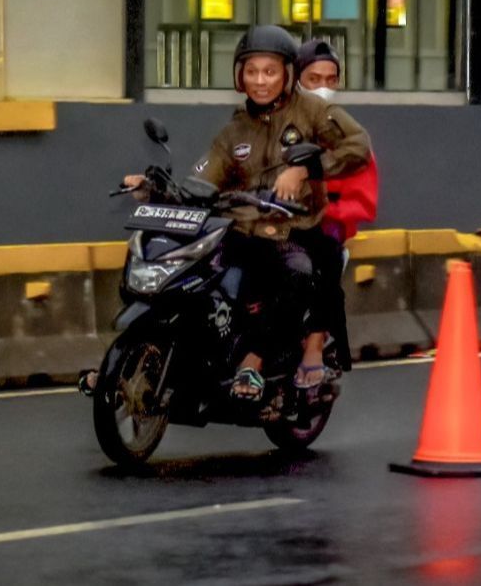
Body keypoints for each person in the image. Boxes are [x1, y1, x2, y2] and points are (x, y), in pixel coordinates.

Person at [86, 26, 371, 402]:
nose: (260, 81)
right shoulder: (234, 130)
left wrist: (306, 168)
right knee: (194, 274)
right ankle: (162, 362)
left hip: (293, 227)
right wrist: (153, 188)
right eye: (251, 71)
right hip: (242, 230)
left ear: (286, 73)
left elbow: (358, 145)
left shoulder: (314, 112)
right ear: (240, 76)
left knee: (296, 275)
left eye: (269, 71)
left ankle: (253, 362)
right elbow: (202, 179)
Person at [293, 39, 380, 369]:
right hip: (276, 218)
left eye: (331, 80)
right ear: (298, 79)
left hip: (327, 221)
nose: (324, 87)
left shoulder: (346, 134)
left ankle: (314, 345)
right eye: (315, 79)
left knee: (324, 254)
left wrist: (326, 210)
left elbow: (362, 196)